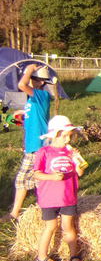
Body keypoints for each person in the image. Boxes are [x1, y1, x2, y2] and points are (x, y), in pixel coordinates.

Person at [31, 115, 87, 261]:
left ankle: (74, 255)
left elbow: (79, 173)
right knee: (51, 226)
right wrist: (51, 177)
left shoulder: (70, 152)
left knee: (68, 227)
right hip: (49, 198)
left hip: (68, 197)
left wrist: (78, 161)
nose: (68, 140)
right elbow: (36, 173)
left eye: (70, 136)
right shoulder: (44, 152)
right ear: (55, 135)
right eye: (65, 136)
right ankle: (41, 257)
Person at [5, 64, 53, 222]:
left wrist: (29, 70)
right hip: (32, 145)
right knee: (31, 180)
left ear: (41, 82)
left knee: (26, 179)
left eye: (33, 78)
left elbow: (21, 85)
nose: (30, 80)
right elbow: (31, 120)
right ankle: (35, 211)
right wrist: (20, 114)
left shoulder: (42, 95)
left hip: (38, 145)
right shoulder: (33, 99)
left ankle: (20, 213)